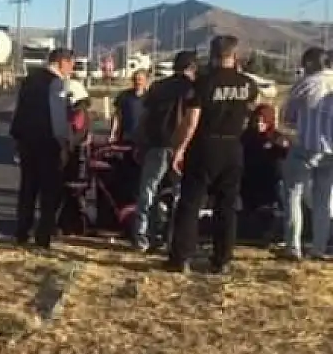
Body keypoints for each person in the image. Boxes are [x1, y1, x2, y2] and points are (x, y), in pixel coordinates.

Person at [167, 35, 257, 274]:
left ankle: (182, 257)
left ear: (213, 55)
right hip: (233, 146)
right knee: (226, 206)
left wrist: (179, 149)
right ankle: (222, 258)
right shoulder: (248, 84)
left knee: (191, 203)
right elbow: (250, 114)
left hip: (205, 145)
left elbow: (192, 120)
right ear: (234, 55)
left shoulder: (204, 83)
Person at [129, 50, 199, 252]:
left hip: (157, 145)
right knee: (178, 195)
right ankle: (171, 237)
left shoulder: (158, 87)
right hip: (183, 146)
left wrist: (140, 142)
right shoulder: (194, 89)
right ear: (192, 68)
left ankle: (142, 237)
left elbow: (145, 116)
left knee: (148, 191)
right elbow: (193, 120)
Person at [9, 48, 75, 248]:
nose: (72, 68)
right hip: (47, 142)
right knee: (49, 191)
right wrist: (64, 143)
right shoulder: (55, 83)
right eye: (71, 63)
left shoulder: (30, 80)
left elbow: (19, 111)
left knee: (28, 188)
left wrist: (17, 139)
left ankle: (22, 231)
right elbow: (57, 118)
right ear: (61, 62)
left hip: (26, 141)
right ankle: (43, 235)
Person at [281, 47, 333, 260]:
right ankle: (319, 247)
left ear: (310, 64)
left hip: (306, 147)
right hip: (331, 151)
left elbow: (287, 116)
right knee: (324, 200)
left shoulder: (306, 84)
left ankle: (293, 246)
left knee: (293, 195)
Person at [241, 104, 289, 241]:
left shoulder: (276, 137)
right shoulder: (247, 136)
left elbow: (284, 154)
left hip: (269, 181)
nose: (259, 124)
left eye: (262, 121)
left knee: (268, 210)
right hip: (249, 180)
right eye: (257, 120)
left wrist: (282, 146)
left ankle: (268, 232)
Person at [58, 80, 92, 236]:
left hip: (74, 159)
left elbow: (73, 135)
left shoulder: (78, 112)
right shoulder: (81, 111)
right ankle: (70, 224)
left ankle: (70, 224)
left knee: (70, 193)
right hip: (76, 158)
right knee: (72, 194)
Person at [109, 69, 149, 143]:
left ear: (146, 81)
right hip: (126, 136)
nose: (138, 82)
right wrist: (113, 133)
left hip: (144, 138)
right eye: (135, 79)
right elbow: (117, 116)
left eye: (140, 79)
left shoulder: (150, 97)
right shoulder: (124, 95)